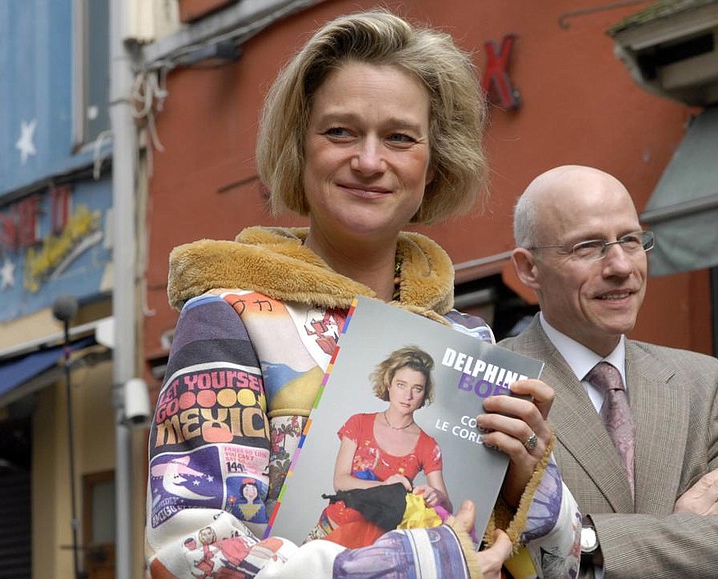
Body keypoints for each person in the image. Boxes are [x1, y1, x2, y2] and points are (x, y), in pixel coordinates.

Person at [146, 10, 580, 578]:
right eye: (340, 131)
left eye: (399, 138)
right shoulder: (229, 318)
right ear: (299, 149)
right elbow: (190, 556)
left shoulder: (467, 339)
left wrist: (532, 489)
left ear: (433, 164)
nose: (370, 161)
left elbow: (548, 564)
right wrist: (420, 564)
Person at [500, 164, 718, 578]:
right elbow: (495, 555)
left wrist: (592, 541)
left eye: (630, 240)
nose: (621, 266)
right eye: (588, 246)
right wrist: (689, 531)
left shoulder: (700, 382)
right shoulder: (494, 382)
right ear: (528, 268)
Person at [316, 346, 452, 547]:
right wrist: (386, 486)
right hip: (332, 528)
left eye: (417, 388)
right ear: (389, 384)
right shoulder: (358, 423)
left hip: (375, 547)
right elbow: (340, 481)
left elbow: (447, 507)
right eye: (401, 384)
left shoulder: (428, 445)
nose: (408, 395)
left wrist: (436, 496)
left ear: (424, 393)